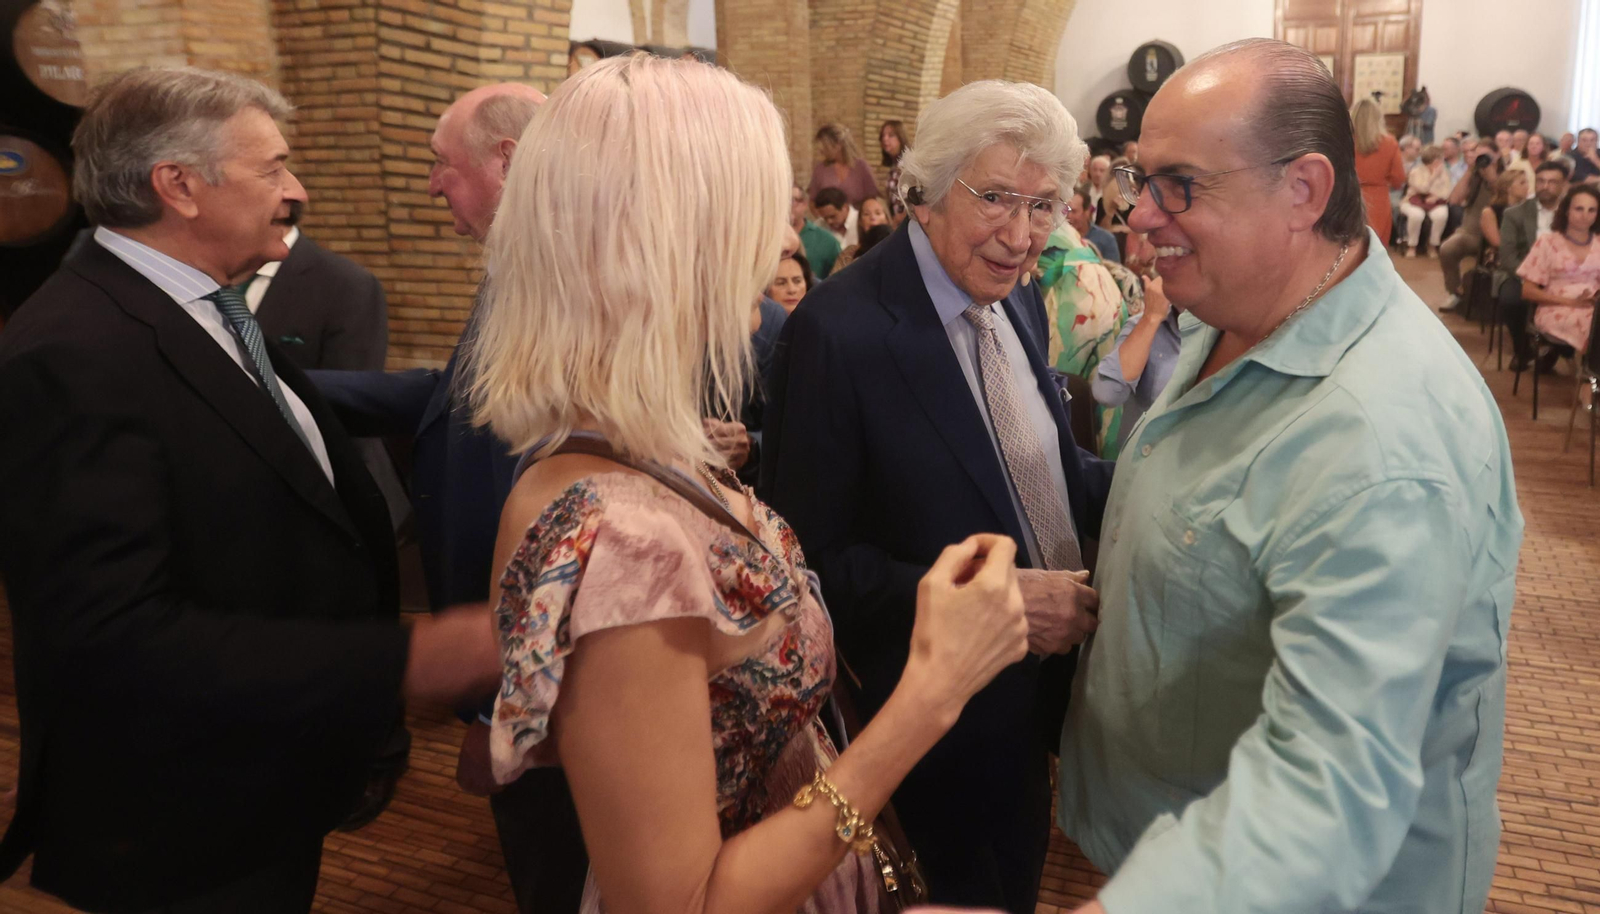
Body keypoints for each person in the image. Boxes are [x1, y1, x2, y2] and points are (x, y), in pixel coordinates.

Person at [464, 53, 1033, 914]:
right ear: (672, 247)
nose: (778, 247)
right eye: (759, 217)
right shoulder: (617, 535)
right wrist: (934, 688)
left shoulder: (641, 446)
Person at [0, 65, 502, 914]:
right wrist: (410, 657)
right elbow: (110, 635)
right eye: (272, 168)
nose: (296, 190)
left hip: (259, 776)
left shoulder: (195, 304)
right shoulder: (73, 353)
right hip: (180, 816)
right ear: (179, 186)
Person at [1059, 38, 1523, 914]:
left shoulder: (1380, 441)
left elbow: (1329, 790)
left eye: (1179, 185)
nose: (1141, 216)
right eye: (1139, 179)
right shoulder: (1239, 309)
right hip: (1176, 833)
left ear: (1304, 190)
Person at [765, 78, 1113, 913]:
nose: (1021, 235)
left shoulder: (1014, 293)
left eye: (1044, 205)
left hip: (1032, 713)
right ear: (924, 192)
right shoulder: (836, 331)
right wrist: (1001, 603)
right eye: (995, 198)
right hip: (925, 739)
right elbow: (808, 568)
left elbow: (1040, 464)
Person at [307, 81, 590, 914]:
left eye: (443, 164)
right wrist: (291, 386)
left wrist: (499, 712)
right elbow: (459, 400)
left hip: (529, 673)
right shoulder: (524, 268)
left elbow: (549, 520)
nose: (433, 186)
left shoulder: (557, 283)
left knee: (560, 869)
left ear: (507, 159)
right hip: (511, 658)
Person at [1091, 273, 1181, 453]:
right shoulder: (1145, 324)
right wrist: (1151, 318)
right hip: (1146, 462)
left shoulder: (1226, 333)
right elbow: (1107, 394)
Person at [1497, 161, 1570, 370]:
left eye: (1552, 182)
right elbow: (1508, 256)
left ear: (1564, 185)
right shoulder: (1515, 214)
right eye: (1541, 181)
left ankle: (1555, 348)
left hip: (1566, 276)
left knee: (1582, 303)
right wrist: (1534, 278)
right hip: (1522, 273)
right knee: (1511, 299)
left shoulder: (1575, 213)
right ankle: (1523, 349)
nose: (1545, 186)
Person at [1517, 184, 1600, 357]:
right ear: (1567, 211)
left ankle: (1588, 369)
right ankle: (1588, 370)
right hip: (1556, 308)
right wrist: (1569, 302)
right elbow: (1527, 291)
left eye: (1591, 210)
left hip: (1593, 306)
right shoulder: (1547, 243)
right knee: (1591, 327)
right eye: (1579, 209)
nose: (1585, 215)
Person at [1438, 152, 1502, 310]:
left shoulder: (1505, 176)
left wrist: (1492, 177)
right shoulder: (1473, 178)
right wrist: (1469, 171)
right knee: (1447, 248)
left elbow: (1504, 197)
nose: (1483, 161)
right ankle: (1454, 292)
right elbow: (1454, 199)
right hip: (1470, 232)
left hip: (1496, 235)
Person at [1352, 96, 1406, 246]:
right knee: (1376, 248)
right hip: (1378, 199)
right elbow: (1399, 178)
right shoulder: (1389, 142)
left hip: (1349, 197)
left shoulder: (1343, 140)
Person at [811, 122, 880, 209]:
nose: (821, 150)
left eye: (825, 146)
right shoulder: (820, 170)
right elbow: (812, 202)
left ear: (838, 145)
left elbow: (872, 198)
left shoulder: (861, 166)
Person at [1399, 145, 1451, 256]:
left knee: (1441, 215)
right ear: (1436, 161)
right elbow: (1422, 189)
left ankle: (1432, 245)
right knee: (1417, 215)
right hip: (1413, 201)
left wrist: (1436, 197)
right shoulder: (1416, 171)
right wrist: (1434, 176)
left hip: (1435, 202)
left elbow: (1447, 191)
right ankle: (1412, 246)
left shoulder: (1444, 172)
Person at [792, 182, 842, 279]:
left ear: (804, 204)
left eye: (792, 201)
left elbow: (839, 277)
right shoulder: (767, 238)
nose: (786, 206)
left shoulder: (827, 241)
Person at [1067, 182, 1120, 263]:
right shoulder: (1057, 236)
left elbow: (1114, 269)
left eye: (1074, 211)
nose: (1068, 216)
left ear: (1086, 213)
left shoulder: (1106, 239)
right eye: (1066, 210)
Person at [882, 119, 911, 222]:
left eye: (891, 135)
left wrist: (898, 220)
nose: (885, 139)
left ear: (901, 138)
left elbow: (911, 199)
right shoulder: (894, 167)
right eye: (883, 135)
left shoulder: (907, 165)